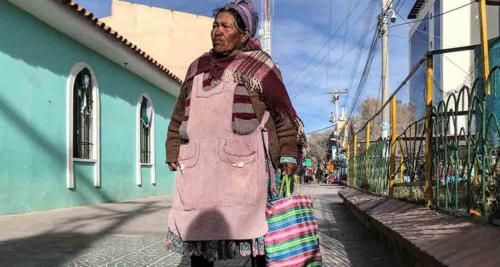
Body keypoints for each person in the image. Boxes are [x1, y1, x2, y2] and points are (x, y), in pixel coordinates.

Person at [163, 1, 304, 266]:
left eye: (226, 26)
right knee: (200, 227)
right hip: (201, 164)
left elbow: (282, 115)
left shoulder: (260, 66)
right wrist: (173, 146)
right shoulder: (197, 67)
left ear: (243, 34)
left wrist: (288, 154)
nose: (217, 31)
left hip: (245, 164)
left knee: (256, 233)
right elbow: (179, 111)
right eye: (215, 25)